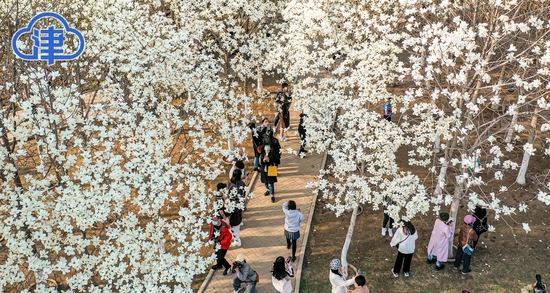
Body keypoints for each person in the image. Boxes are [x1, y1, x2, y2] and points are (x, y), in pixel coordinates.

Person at [260, 130, 281, 203]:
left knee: (270, 183)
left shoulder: (273, 153)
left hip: (271, 168)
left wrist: (269, 160)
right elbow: (260, 162)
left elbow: (275, 159)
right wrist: (263, 160)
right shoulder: (262, 154)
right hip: (264, 170)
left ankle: (272, 195)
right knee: (265, 182)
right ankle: (268, 189)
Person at [228, 170, 246, 247]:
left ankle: (237, 241)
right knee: (236, 223)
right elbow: (244, 192)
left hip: (234, 207)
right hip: (239, 205)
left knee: (234, 226)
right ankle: (236, 237)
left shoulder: (231, 184)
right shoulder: (241, 183)